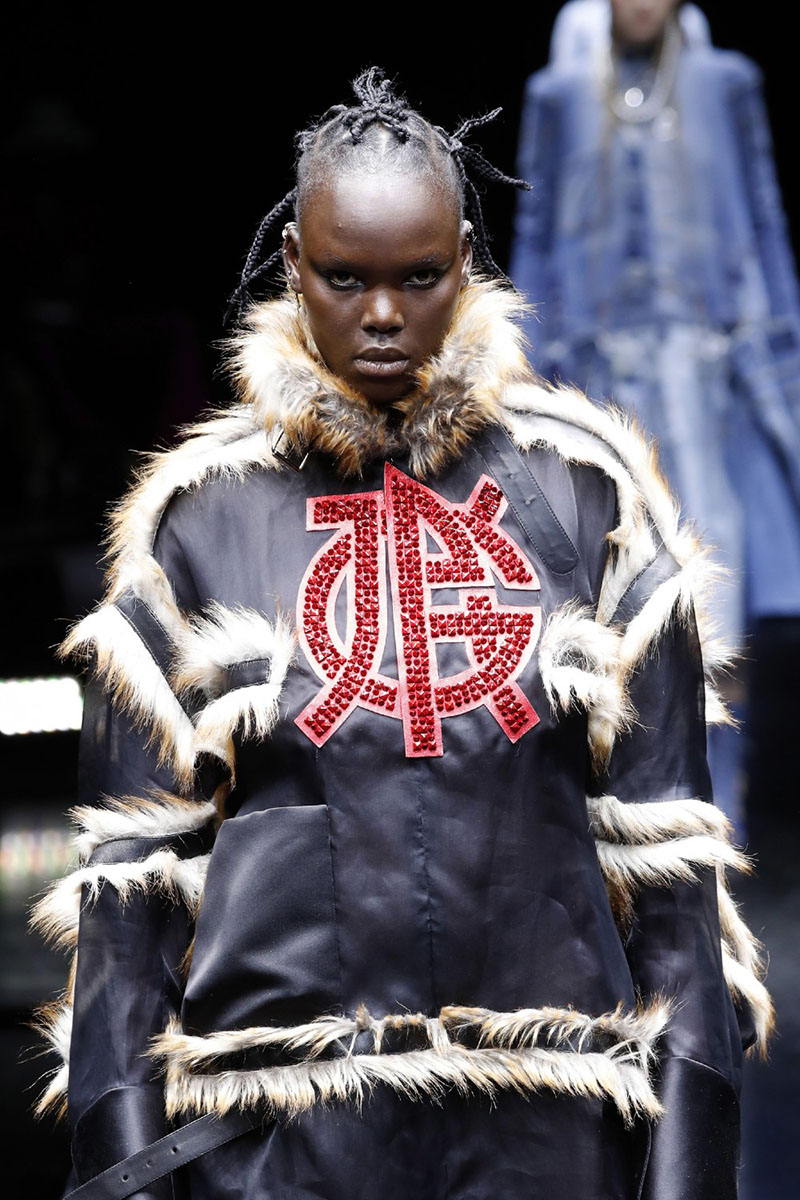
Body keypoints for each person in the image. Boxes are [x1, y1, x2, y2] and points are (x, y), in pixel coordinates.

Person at [34, 68, 771, 1200]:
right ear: (294, 266)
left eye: (418, 277)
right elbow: (126, 924)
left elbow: (674, 902)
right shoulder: (199, 522)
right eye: (345, 277)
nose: (382, 315)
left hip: (548, 1137)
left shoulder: (587, 494)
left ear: (465, 261)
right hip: (276, 1147)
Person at [509, 0, 800, 831]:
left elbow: (763, 218)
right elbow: (536, 231)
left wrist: (782, 371)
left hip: (709, 387)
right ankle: (631, 830)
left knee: (719, 604)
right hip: (599, 388)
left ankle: (717, 821)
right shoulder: (561, 94)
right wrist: (522, 377)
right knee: (608, 606)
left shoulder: (724, 83)